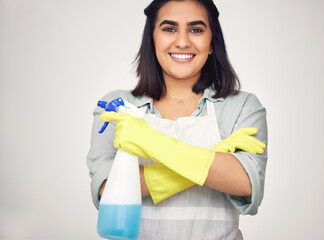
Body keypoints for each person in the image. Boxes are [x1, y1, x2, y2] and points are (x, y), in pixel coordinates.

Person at [87, 0, 268, 239]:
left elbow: (246, 184)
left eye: (196, 29)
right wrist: (213, 159)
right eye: (169, 28)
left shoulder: (242, 106)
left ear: (212, 42)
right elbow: (107, 191)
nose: (182, 41)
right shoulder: (117, 106)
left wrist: (150, 141)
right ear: (152, 39)